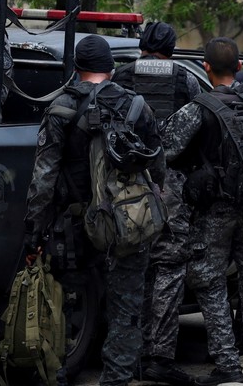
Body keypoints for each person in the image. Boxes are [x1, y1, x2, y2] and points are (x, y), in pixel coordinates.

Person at [23, 35, 166, 386]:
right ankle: (116, 378)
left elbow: (43, 178)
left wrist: (32, 233)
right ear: (111, 70)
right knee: (126, 306)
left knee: (64, 304)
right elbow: (158, 166)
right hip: (126, 222)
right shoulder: (136, 107)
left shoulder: (61, 108)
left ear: (76, 69)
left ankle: (57, 374)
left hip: (73, 224)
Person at [162, 37, 243, 385]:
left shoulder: (198, 107)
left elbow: (165, 149)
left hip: (216, 210)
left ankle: (227, 364)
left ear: (205, 68)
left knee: (208, 280)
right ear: (241, 68)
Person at [111, 21, 201, 386]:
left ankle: (127, 356)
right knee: (169, 268)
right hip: (170, 187)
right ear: (172, 48)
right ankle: (159, 357)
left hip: (124, 187)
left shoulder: (120, 77)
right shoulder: (185, 78)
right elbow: (198, 125)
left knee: (130, 267)